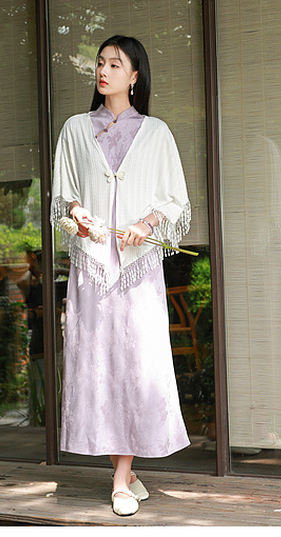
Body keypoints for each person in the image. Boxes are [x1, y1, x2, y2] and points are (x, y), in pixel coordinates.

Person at [51, 35, 192, 517]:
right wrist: (78, 215)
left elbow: (174, 200)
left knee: (136, 364)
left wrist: (145, 225)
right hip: (92, 269)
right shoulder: (75, 129)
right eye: (100, 62)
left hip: (137, 270)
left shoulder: (156, 133)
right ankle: (126, 474)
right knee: (98, 363)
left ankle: (119, 479)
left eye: (115, 64)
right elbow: (66, 194)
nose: (103, 70)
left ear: (134, 77)